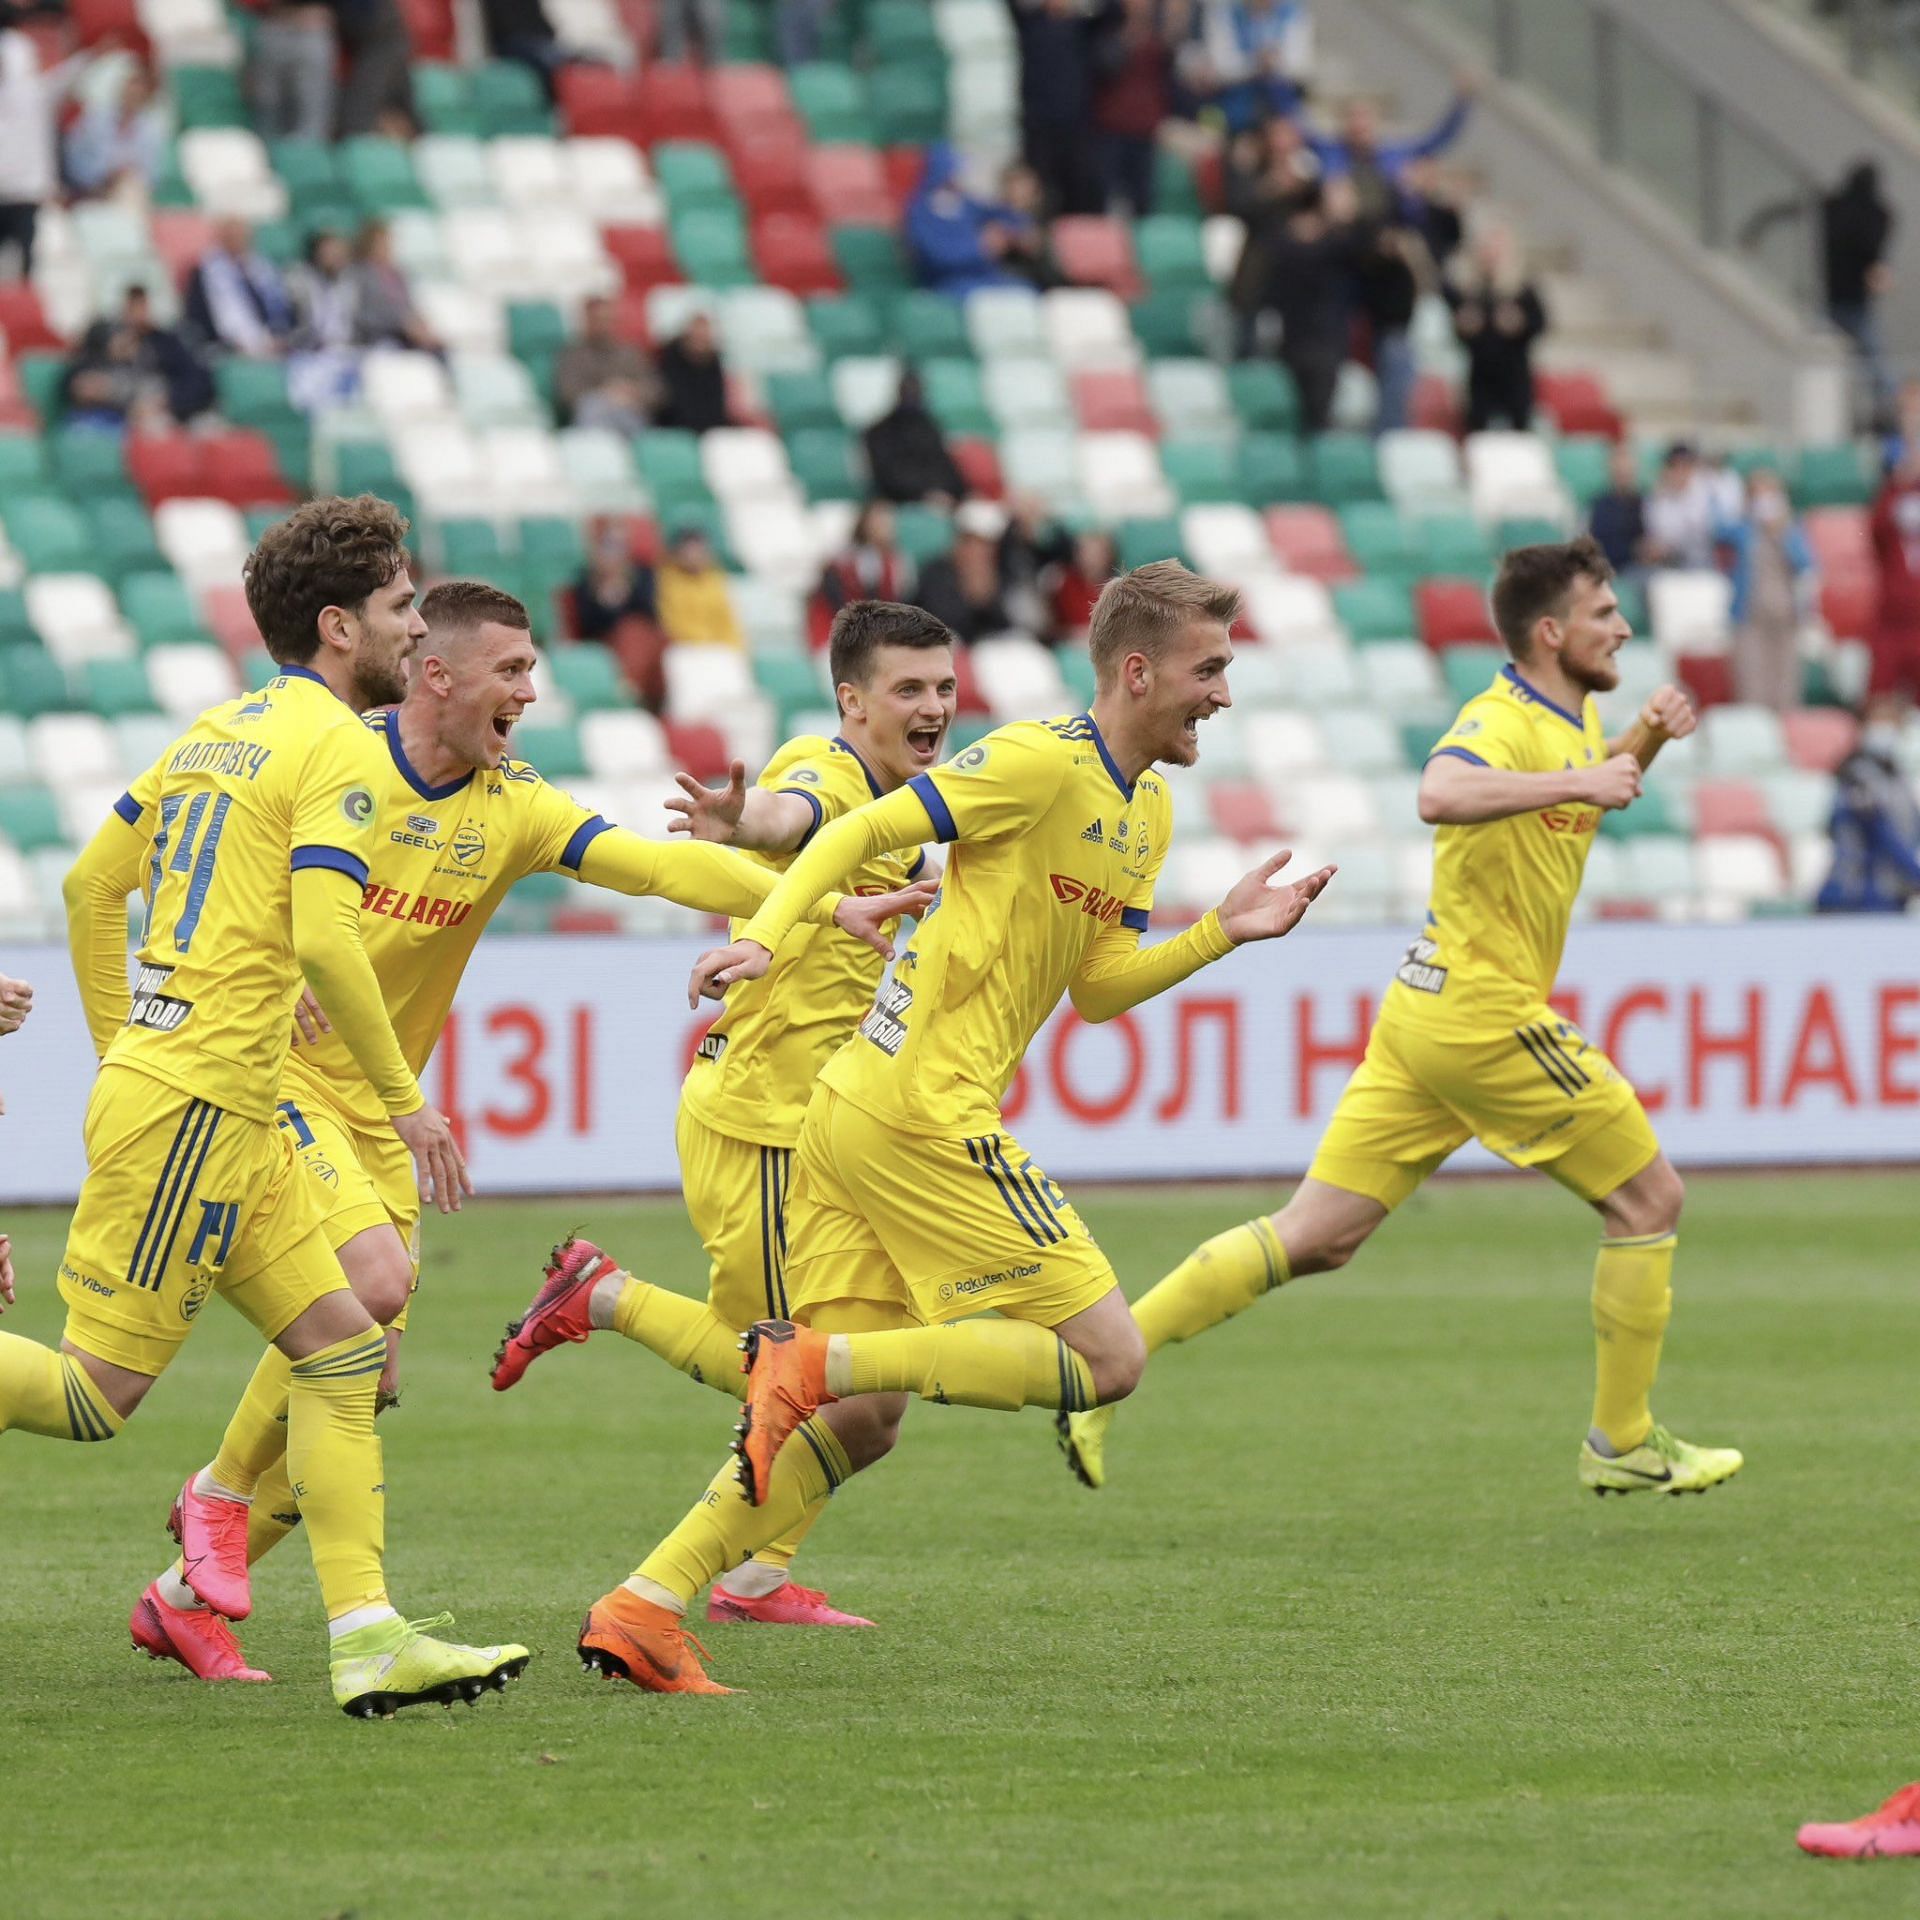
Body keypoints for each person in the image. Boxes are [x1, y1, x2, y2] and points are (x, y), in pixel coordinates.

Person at [115, 578, 927, 1682]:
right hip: (281, 1079)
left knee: (365, 1374)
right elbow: (208, 867)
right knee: (376, 1292)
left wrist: (823, 905)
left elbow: (657, 864)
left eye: (535, 670)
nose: (533, 691)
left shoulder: (512, 802)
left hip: (376, 1105)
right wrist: (275, 961)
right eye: (513, 671)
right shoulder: (334, 765)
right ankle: (223, 1512)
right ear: (433, 673)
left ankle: (181, 1599)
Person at [560, 561, 1334, 1693]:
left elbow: (1104, 984)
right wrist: (770, 937)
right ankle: (803, 1355)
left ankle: (645, 1603)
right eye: (1208, 668)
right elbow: (832, 833)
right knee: (1107, 1359)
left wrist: (1219, 933)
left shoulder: (1147, 807)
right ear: (1137, 669)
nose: (1222, 692)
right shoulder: (1033, 762)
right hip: (919, 1110)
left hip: (860, 1110)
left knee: (861, 1418)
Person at [1061, 538, 1744, 1505]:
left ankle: (1101, 1376)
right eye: (1604, 615)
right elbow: (1441, 791)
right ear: (1550, 632)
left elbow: (1576, 803)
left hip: (1427, 1010)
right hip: (1481, 1011)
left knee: (1315, 1236)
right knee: (1650, 1202)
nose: (1624, 628)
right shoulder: (1500, 720)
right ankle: (1622, 1440)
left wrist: (1640, 744)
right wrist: (1583, 777)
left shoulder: (1572, 716)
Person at [0, 494, 528, 1717]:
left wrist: (123, 1047)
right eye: (403, 606)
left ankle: (368, 1635)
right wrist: (406, 1104)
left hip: (217, 1107)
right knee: (92, 1398)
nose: (416, 625)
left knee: (344, 1345)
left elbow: (92, 886)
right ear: (341, 626)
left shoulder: (217, 730)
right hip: (197, 1110)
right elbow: (332, 947)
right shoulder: (341, 745)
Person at [492, 601, 956, 1633]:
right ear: (852, 701)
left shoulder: (916, 800)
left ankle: (753, 1573)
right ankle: (603, 1296)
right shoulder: (829, 777)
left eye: (943, 687)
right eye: (908, 690)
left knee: (873, 1400)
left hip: (831, 1138)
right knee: (812, 1381)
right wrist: (743, 823)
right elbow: (784, 817)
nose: (934, 708)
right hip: (763, 1130)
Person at [1263, 177, 1365, 436]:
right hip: (1299, 339)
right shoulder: (1291, 241)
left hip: (1322, 341)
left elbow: (1363, 250)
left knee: (1316, 418)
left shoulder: (1337, 243)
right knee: (1296, 417)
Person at [1302, 76, 1475, 225]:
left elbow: (1439, 139)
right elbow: (1294, 124)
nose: (1360, 124)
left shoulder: (1396, 153)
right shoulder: (1329, 151)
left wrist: (1462, 102)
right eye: (1354, 117)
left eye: (1365, 117)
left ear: (1376, 121)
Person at [1815, 695, 1920, 913]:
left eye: (1892, 724)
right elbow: (1882, 834)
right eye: (1879, 723)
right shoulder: (1855, 774)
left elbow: (1912, 828)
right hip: (1855, 893)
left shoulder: (1896, 775)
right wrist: (1915, 873)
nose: (1886, 732)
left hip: (1892, 891)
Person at [61, 284, 216, 428]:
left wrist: (166, 400)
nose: (136, 315)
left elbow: (199, 382)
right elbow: (76, 380)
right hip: (113, 416)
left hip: (162, 410)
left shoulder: (164, 343)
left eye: (141, 307)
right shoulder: (100, 342)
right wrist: (85, 385)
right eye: (131, 308)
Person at [905, 144, 1048, 299]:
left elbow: (998, 213)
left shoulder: (965, 203)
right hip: (947, 284)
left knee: (1027, 292)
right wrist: (980, 247)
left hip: (986, 278)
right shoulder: (920, 211)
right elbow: (934, 256)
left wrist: (1019, 229)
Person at [1725, 469, 1814, 711]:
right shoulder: (1744, 529)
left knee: (1786, 686)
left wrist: (1781, 533)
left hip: (1785, 616)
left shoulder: (1792, 529)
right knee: (1752, 685)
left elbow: (1805, 563)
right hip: (1750, 616)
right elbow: (1717, 530)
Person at [1092, 0, 1188, 217]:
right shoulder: (1106, 32)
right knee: (1110, 197)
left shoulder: (1158, 38)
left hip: (1146, 127)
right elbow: (1105, 67)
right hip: (1112, 128)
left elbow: (1172, 72)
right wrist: (1128, 37)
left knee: (1144, 198)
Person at [0, 4, 75, 279]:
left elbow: (56, 85)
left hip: (24, 191)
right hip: (12, 189)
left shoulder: (30, 91)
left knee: (24, 266)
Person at [1010, 0, 1104, 218]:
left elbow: (1108, 10)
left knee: (1078, 192)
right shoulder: (1031, 22)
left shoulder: (1083, 25)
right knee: (1037, 193)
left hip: (1076, 123)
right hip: (1038, 123)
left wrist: (1075, 7)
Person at [1447, 228, 1546, 433]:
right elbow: (1457, 331)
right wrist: (1464, 328)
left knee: (1518, 436)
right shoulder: (1470, 290)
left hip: (1514, 375)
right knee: (1479, 433)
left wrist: (1520, 324)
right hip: (1481, 376)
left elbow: (1540, 324)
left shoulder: (1522, 289)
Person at [1821, 159, 1896, 426]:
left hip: (1828, 295)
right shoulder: (1874, 214)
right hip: (1851, 300)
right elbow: (1875, 259)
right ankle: (1888, 412)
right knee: (1872, 362)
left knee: (1859, 361)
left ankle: (1883, 411)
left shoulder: (1831, 207)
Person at [1181, 0, 1313, 132]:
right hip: (1234, 101)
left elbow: (1300, 66)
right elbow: (1222, 67)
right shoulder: (1225, 12)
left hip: (1281, 100)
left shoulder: (1293, 12)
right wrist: (1255, 63)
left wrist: (1274, 64)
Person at [184, 216, 295, 360]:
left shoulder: (262, 270)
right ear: (220, 239)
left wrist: (278, 335)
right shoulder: (204, 272)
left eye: (241, 236)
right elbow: (199, 317)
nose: (237, 241)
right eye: (231, 237)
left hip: (273, 342)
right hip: (228, 347)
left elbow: (280, 308)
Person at [914, 501, 1018, 642]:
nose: (981, 551)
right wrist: (971, 598)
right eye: (975, 542)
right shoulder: (935, 573)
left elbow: (1008, 626)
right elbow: (939, 624)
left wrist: (988, 602)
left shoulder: (1002, 572)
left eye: (988, 544)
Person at [554, 293, 656, 435]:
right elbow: (567, 393)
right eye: (598, 320)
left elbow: (657, 390)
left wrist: (632, 392)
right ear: (587, 321)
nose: (603, 325)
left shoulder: (630, 353)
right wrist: (606, 393)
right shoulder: (573, 354)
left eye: (607, 320)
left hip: (629, 414)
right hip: (593, 416)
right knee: (591, 406)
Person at [863, 368, 966, 507]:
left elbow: (944, 468)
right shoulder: (880, 432)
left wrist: (949, 493)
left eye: (916, 390)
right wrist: (923, 495)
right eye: (907, 390)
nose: (912, 395)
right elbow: (887, 477)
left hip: (941, 499)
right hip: (897, 502)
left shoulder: (930, 428)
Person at [286, 229, 362, 412]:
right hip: (309, 353)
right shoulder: (300, 279)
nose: (334, 256)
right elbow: (301, 321)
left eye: (338, 251)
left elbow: (349, 322)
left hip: (343, 351)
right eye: (329, 251)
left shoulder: (347, 282)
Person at [63, 63, 167, 198]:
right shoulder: (94, 120)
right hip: (91, 190)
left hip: (130, 191)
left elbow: (152, 175)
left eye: (137, 95)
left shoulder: (151, 131)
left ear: (145, 98)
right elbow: (74, 160)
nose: (132, 98)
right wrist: (104, 175)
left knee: (130, 190)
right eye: (129, 92)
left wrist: (127, 175)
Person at [1356, 219, 1420, 435]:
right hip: (1385, 336)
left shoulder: (1403, 271)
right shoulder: (1376, 271)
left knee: (1400, 391)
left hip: (1400, 336)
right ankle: (1387, 434)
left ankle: (1395, 433)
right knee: (1390, 392)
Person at [814, 501, 915, 637]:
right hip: (843, 629)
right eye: (878, 521)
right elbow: (837, 599)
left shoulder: (898, 562)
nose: (884, 527)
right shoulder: (844, 560)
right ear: (865, 523)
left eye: (887, 522)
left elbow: (901, 599)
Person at [245, 0, 339, 143]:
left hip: (313, 29)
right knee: (266, 112)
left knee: (311, 118)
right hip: (274, 25)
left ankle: (304, 162)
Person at [1868, 446, 1920, 701]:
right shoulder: (1892, 500)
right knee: (1882, 692)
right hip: (1895, 618)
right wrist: (1898, 486)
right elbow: (1876, 533)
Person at [349, 220, 440, 353]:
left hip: (406, 331)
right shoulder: (360, 274)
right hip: (382, 333)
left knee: (437, 347)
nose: (386, 247)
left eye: (388, 243)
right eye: (381, 243)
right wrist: (403, 324)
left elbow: (410, 304)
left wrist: (420, 323)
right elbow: (367, 312)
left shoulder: (397, 273)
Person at [655, 526, 743, 649]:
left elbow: (728, 623)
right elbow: (672, 623)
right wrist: (704, 641)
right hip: (686, 647)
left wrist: (733, 647)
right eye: (690, 551)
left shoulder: (716, 581)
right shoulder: (667, 581)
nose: (694, 556)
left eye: (699, 550)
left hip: (718, 647)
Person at [573, 518, 658, 640]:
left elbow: (649, 618)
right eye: (610, 545)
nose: (617, 553)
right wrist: (605, 601)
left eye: (621, 546)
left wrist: (626, 591)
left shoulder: (642, 575)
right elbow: (587, 628)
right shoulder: (584, 582)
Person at [1642, 442, 1721, 571]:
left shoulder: (1704, 493)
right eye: (1675, 466)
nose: (1680, 472)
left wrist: (1670, 545)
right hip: (1664, 564)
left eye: (1685, 467)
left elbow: (1701, 533)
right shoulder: (1656, 498)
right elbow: (1655, 535)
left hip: (1698, 561)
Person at [653, 312, 731, 434]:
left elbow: (717, 406)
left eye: (704, 335)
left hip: (708, 430)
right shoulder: (670, 359)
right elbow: (670, 403)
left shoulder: (714, 363)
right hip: (674, 429)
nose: (700, 338)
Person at [1587, 443, 1650, 577]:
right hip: (1616, 568)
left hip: (1646, 567)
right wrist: (1634, 551)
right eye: (1620, 472)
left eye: (1627, 472)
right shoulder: (1600, 505)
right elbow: (1598, 546)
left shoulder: (1645, 501)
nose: (1624, 476)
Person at [1049, 526, 1117, 642]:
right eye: (1086, 552)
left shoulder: (1117, 588)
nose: (1090, 558)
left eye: (1097, 553)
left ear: (1107, 555)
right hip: (1071, 647)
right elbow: (1053, 628)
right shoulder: (1063, 584)